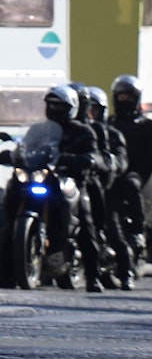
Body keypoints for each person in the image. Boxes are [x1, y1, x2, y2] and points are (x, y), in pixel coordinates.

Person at [40, 84, 109, 292]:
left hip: (74, 183)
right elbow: (29, 147)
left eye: (59, 106)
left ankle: (93, 276)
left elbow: (92, 155)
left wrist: (73, 159)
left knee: (86, 228)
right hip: (47, 182)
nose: (54, 110)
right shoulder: (43, 130)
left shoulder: (82, 130)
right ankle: (8, 271)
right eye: (51, 105)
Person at [82, 84, 136, 290]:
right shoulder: (78, 130)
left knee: (112, 230)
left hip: (108, 189)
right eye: (87, 109)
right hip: (82, 186)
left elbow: (119, 162)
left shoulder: (111, 134)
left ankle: (126, 273)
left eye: (93, 110)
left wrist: (105, 163)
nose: (90, 114)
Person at [110, 75, 149, 267]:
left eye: (128, 97)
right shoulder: (110, 123)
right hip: (113, 172)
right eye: (121, 97)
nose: (124, 101)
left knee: (131, 184)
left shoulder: (145, 125)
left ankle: (138, 230)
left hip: (138, 172)